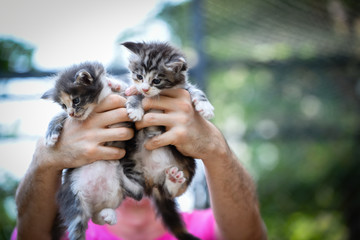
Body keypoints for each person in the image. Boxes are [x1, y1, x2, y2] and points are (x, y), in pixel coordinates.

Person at [13, 88, 267, 240]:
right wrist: (45, 159)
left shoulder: (203, 226)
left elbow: (248, 236)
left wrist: (215, 148)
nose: (139, 151)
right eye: (123, 141)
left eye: (153, 138)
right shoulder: (70, 228)